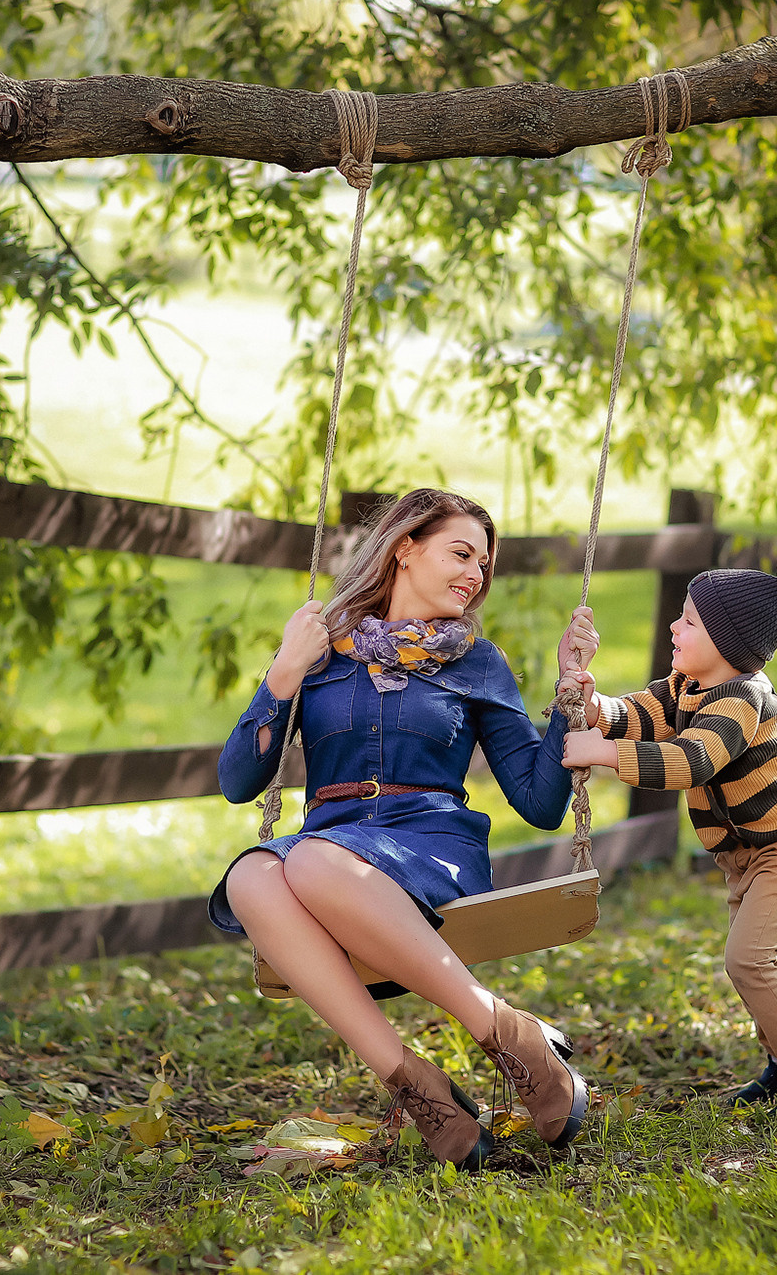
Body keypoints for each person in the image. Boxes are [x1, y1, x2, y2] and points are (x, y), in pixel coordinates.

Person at [211, 489, 597, 1168]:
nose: (475, 574)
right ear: (405, 548)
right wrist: (284, 670)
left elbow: (539, 803)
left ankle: (504, 1033)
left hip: (431, 849)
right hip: (330, 854)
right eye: (461, 553)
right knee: (251, 874)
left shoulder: (478, 662)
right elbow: (239, 780)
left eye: (483, 562)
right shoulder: (320, 653)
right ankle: (419, 1088)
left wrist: (569, 693)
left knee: (312, 862)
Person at [561, 549, 777, 1116]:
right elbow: (642, 713)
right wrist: (597, 707)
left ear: (728, 642)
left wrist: (606, 754)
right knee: (750, 963)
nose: (675, 627)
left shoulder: (743, 700)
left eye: (690, 621)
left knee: (750, 959)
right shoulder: (687, 685)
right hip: (745, 853)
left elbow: (690, 762)